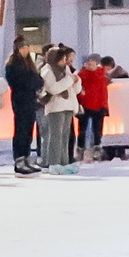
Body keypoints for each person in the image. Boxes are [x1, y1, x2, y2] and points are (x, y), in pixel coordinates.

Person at [39, 46, 81, 174]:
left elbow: (75, 90)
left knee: (65, 136)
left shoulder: (66, 69)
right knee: (55, 136)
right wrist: (70, 80)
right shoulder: (47, 71)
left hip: (68, 106)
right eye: (62, 59)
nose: (65, 61)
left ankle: (64, 162)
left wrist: (76, 81)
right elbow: (54, 88)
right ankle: (54, 162)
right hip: (55, 107)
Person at [5, 45, 44, 174]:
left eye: (27, 48)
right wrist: (30, 82)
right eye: (22, 48)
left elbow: (39, 80)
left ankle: (26, 156)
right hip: (20, 101)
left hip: (31, 101)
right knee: (21, 130)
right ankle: (19, 159)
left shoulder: (30, 65)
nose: (25, 51)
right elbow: (18, 82)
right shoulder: (13, 65)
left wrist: (31, 82)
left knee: (28, 130)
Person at [77, 54, 113, 160]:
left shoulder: (101, 75)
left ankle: (96, 148)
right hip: (85, 105)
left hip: (97, 105)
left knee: (97, 130)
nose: (90, 63)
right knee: (82, 130)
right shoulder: (82, 74)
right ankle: (81, 149)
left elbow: (103, 92)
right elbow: (79, 88)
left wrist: (104, 105)